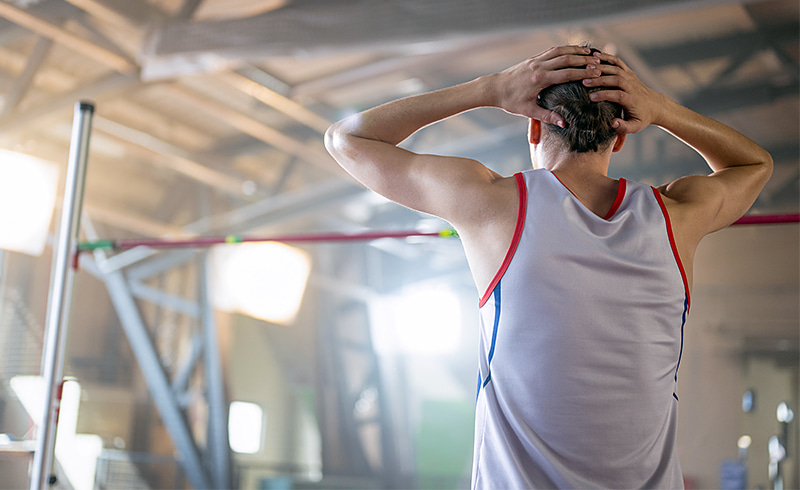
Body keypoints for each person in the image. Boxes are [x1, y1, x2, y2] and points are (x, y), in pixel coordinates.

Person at [324, 46, 772, 488]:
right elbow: (754, 163)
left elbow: (346, 139)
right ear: (620, 135)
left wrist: (490, 88)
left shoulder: (495, 204)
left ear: (534, 130)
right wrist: (662, 108)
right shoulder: (676, 216)